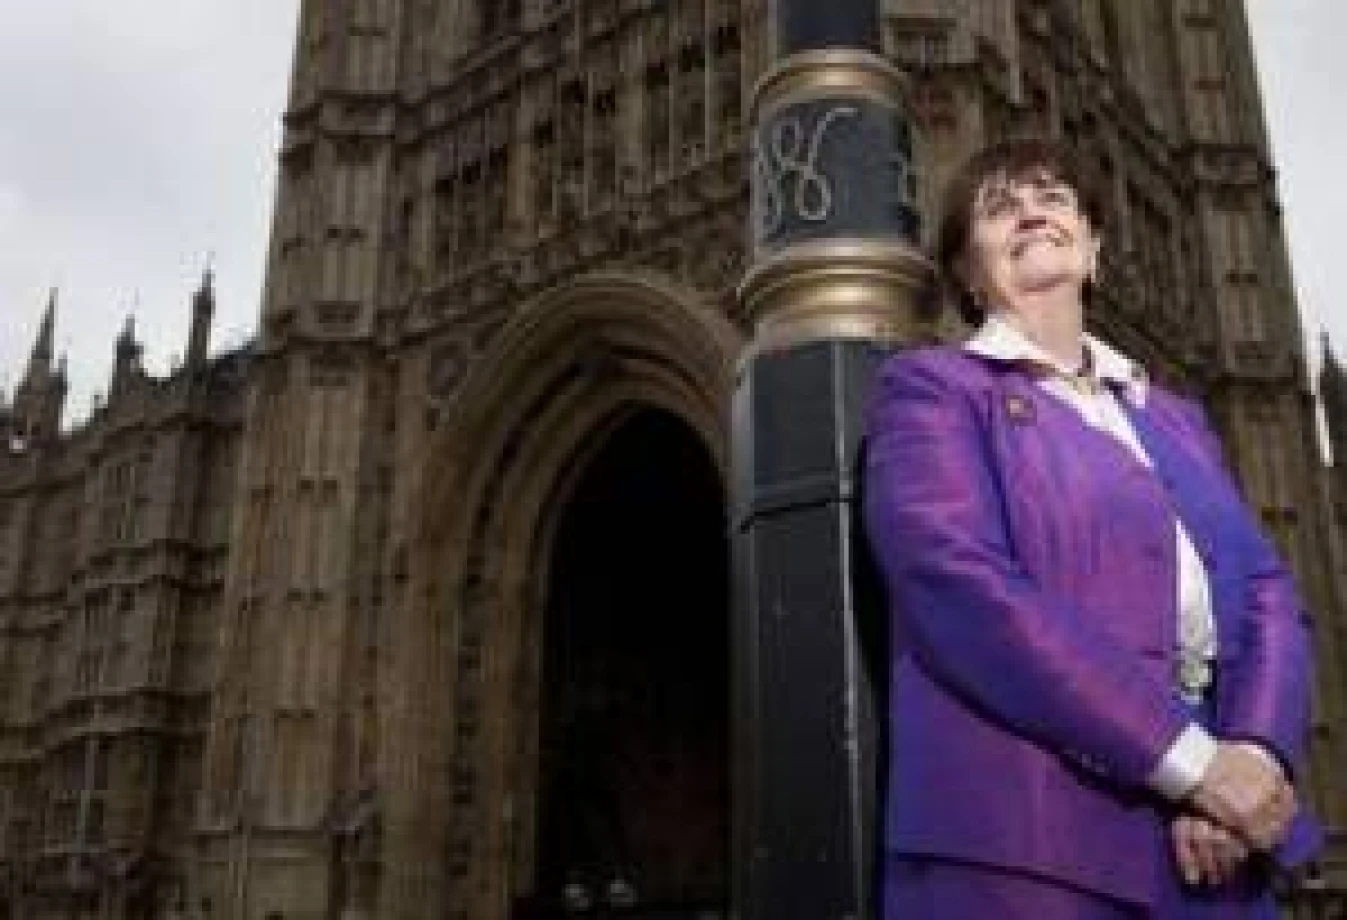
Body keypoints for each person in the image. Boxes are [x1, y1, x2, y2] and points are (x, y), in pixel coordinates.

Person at [861, 137, 1321, 918]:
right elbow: (957, 584)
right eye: (1000, 208)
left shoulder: (1174, 420)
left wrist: (1249, 756)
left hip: (1215, 855)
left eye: (1054, 198)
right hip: (1029, 858)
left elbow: (1266, 591)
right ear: (968, 274)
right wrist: (1190, 765)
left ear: (1094, 247)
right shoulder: (932, 389)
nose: (1033, 212)